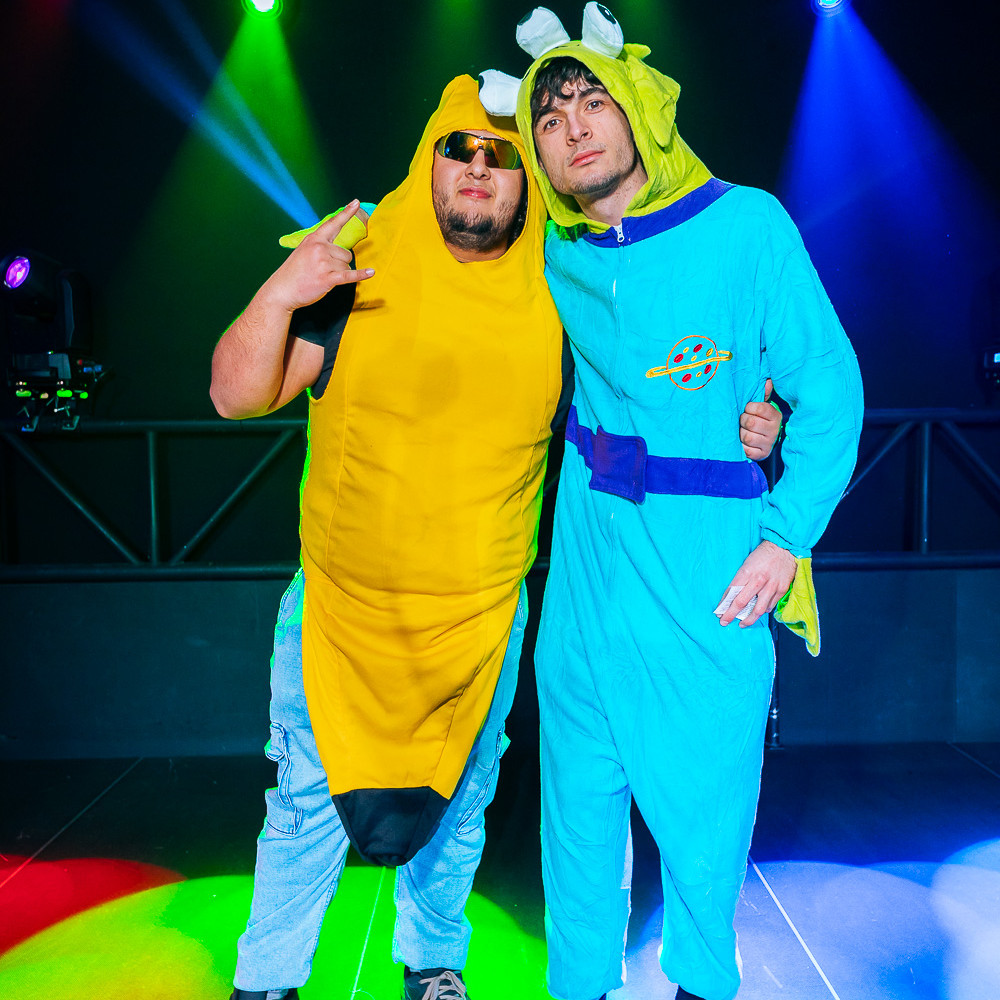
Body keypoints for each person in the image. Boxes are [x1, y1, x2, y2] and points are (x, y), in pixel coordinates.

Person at [210, 71, 782, 1000]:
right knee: (305, 808)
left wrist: (755, 419)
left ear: (530, 179)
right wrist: (282, 292)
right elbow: (234, 394)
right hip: (343, 610)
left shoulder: (558, 281)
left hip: (479, 617)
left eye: (502, 154)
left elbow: (656, 376)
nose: (478, 168)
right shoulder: (359, 261)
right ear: (427, 161)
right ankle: (266, 981)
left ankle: (432, 965)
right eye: (459, 149)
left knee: (460, 808)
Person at [477, 6, 864, 1000]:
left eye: (591, 102)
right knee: (574, 828)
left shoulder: (746, 226)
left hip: (705, 578)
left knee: (704, 833)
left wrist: (784, 538)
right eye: (549, 118)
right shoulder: (550, 251)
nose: (572, 128)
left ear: (637, 106)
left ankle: (699, 984)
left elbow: (828, 388)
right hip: (585, 588)